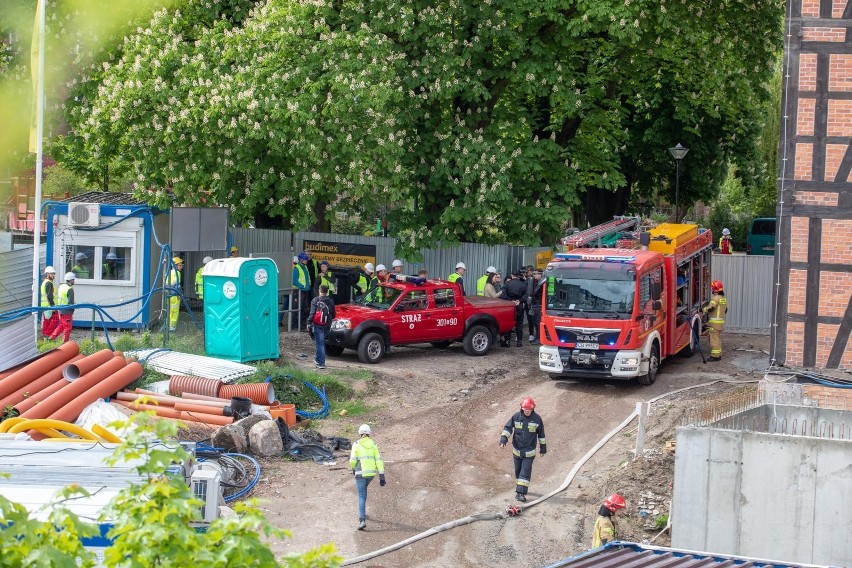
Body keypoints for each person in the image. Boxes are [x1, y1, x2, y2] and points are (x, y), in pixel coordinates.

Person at [500, 397, 546, 502]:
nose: (527, 412)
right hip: (516, 451)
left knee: (525, 471)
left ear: (533, 408)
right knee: (518, 471)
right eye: (525, 409)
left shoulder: (537, 419)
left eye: (529, 410)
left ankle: (520, 493)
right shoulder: (516, 417)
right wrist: (503, 440)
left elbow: (541, 435)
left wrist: (542, 449)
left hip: (529, 452)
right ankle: (520, 487)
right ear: (522, 408)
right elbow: (508, 428)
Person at [349, 423, 385, 530]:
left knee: (361, 495)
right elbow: (379, 460)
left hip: (360, 474)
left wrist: (353, 468)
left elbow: (352, 460)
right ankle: (363, 511)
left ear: (360, 433)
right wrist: (382, 475)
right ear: (369, 434)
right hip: (371, 474)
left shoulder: (356, 444)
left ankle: (362, 519)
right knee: (363, 492)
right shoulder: (374, 445)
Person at [308, 284, 336, 370]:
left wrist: (308, 322)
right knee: (320, 342)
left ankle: (321, 363)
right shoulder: (330, 301)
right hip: (327, 324)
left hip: (318, 324)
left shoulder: (315, 300)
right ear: (327, 291)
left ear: (319, 291)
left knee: (320, 344)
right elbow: (333, 314)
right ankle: (317, 359)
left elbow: (312, 313)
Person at [500, 271, 528, 347]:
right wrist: (519, 300)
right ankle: (519, 342)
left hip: (510, 305)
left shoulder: (507, 284)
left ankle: (507, 342)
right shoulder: (524, 284)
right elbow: (526, 295)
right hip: (519, 305)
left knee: (509, 323)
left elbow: (503, 295)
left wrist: (511, 300)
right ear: (519, 276)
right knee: (519, 324)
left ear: (512, 275)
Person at [703, 280, 728, 361]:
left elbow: (711, 308)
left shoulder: (715, 298)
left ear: (715, 289)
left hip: (714, 324)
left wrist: (703, 309)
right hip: (720, 323)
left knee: (714, 340)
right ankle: (718, 355)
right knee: (718, 339)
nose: (712, 289)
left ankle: (715, 356)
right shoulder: (723, 298)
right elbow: (725, 310)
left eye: (712, 288)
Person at [49, 272, 77, 343]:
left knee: (61, 325)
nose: (74, 281)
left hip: (61, 310)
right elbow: (71, 302)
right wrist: (73, 310)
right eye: (73, 279)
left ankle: (51, 338)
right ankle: (65, 343)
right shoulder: (69, 289)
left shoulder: (61, 287)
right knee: (68, 327)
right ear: (70, 280)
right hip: (67, 311)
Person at [293, 252, 312, 329]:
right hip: (299, 291)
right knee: (297, 308)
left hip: (305, 291)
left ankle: (302, 324)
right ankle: (294, 325)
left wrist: (308, 285)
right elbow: (294, 281)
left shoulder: (305, 267)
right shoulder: (296, 268)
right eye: (305, 260)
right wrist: (303, 286)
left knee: (304, 309)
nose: (306, 261)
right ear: (301, 260)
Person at [40, 266, 58, 338]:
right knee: (54, 321)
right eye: (52, 274)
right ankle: (48, 336)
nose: (53, 275)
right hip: (49, 306)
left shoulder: (45, 282)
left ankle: (45, 336)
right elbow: (49, 296)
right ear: (47, 274)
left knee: (47, 322)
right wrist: (53, 306)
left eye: (54, 273)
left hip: (46, 306)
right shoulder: (49, 283)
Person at [166, 257, 184, 331]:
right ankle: (172, 327)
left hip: (169, 294)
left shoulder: (169, 272)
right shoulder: (177, 273)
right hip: (175, 295)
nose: (181, 267)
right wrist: (180, 294)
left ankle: (167, 325)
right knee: (175, 311)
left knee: (169, 310)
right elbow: (177, 285)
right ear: (175, 265)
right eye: (180, 265)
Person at [527, 269, 544, 344]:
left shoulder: (542, 283)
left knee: (537, 323)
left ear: (540, 274)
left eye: (535, 274)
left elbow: (534, 292)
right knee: (535, 323)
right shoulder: (537, 282)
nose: (534, 276)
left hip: (538, 305)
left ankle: (539, 338)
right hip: (536, 304)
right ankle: (538, 337)